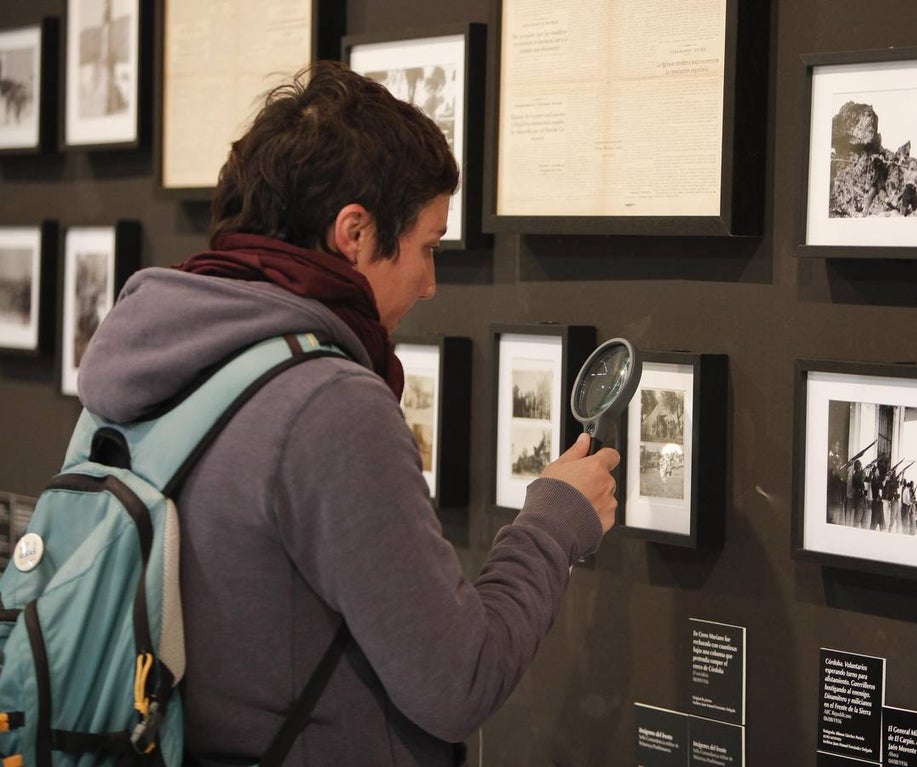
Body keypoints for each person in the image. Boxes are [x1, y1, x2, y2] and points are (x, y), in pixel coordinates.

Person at [77, 61, 620, 767]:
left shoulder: (139, 363)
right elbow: (458, 681)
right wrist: (552, 524)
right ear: (355, 232)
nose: (429, 284)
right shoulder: (327, 404)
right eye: (427, 247)